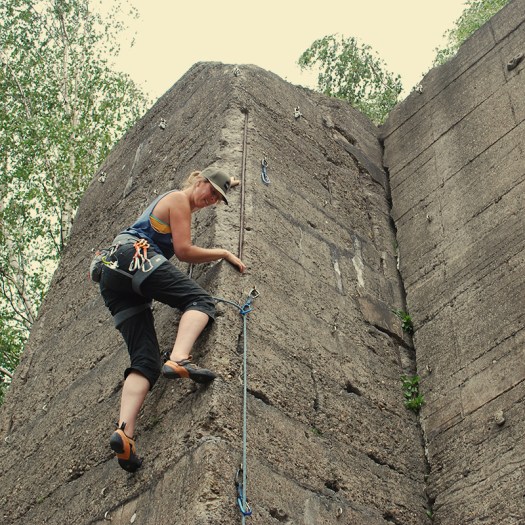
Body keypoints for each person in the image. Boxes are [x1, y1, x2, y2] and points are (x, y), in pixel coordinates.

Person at [98, 167, 246, 472]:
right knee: (200, 301)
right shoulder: (178, 199)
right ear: (199, 181)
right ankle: (179, 358)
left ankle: (124, 434)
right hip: (134, 257)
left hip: (112, 277)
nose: (211, 200)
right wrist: (223, 253)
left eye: (217, 198)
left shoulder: (183, 200)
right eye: (211, 192)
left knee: (145, 361)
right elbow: (184, 250)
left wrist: (229, 182)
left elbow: (216, 183)